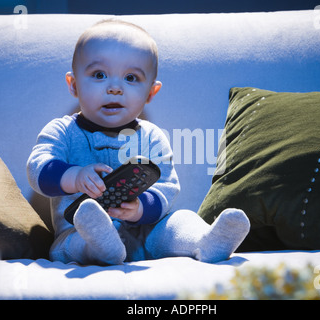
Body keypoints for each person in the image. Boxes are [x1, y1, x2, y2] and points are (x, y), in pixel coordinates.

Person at [27, 19, 250, 265]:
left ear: (151, 93)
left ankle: (205, 241)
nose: (114, 88)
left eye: (131, 78)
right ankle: (101, 248)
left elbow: (166, 187)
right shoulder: (62, 131)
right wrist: (75, 176)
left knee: (180, 219)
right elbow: (38, 168)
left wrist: (140, 208)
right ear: (74, 85)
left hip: (145, 235)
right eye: (99, 75)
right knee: (68, 245)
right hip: (78, 231)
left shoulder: (152, 136)